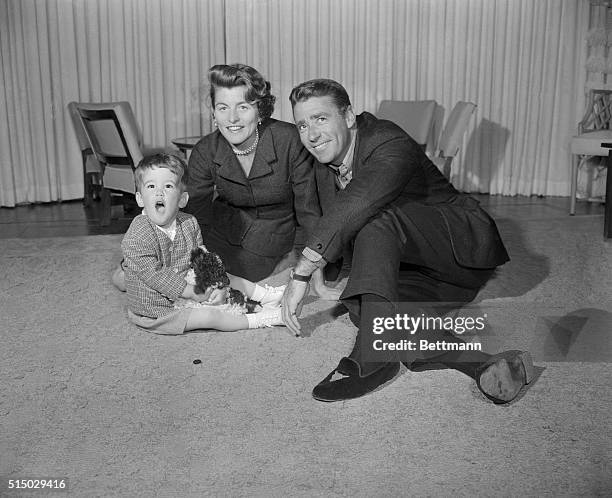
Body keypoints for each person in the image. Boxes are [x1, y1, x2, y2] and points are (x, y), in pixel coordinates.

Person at [281, 78, 535, 404]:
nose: (311, 135)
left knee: (375, 219)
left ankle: (370, 361)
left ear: (347, 117)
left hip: (454, 253)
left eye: (320, 118)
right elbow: (314, 218)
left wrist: (302, 271)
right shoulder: (320, 162)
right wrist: (319, 278)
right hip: (409, 268)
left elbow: (359, 200)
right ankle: (480, 363)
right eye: (302, 124)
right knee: (370, 309)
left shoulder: (387, 140)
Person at [185, 64, 338, 298]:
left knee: (232, 280)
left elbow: (308, 212)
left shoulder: (289, 141)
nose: (232, 118)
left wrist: (316, 280)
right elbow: (195, 218)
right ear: (214, 113)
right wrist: (198, 259)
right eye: (223, 107)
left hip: (275, 238)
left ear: (260, 110)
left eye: (243, 107)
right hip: (222, 232)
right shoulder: (205, 150)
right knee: (162, 271)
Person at [122, 153, 287, 335]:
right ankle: (262, 319)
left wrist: (217, 285)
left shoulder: (189, 222)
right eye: (151, 186)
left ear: (182, 200)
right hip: (157, 309)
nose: (159, 192)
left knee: (226, 275)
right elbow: (155, 275)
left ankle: (267, 296)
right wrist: (192, 292)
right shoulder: (137, 235)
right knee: (210, 317)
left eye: (168, 186)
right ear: (139, 198)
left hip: (187, 282)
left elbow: (201, 257)